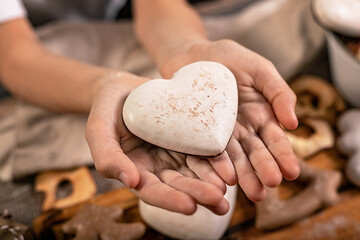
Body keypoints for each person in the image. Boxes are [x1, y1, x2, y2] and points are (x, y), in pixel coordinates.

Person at [0, 0, 300, 215]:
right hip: (42, 48)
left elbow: (157, 5)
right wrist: (104, 86)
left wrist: (184, 48)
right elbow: (14, 55)